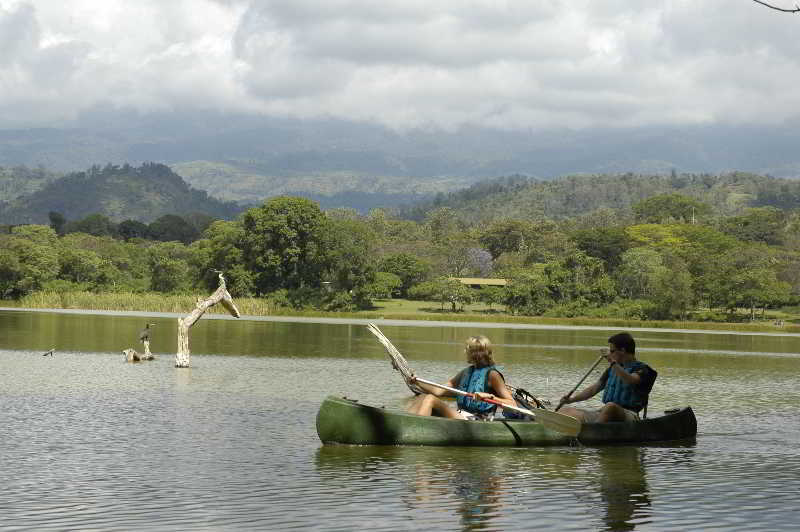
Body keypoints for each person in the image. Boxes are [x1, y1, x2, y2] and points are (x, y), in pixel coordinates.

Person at [406, 335, 517, 419]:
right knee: (422, 397)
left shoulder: (493, 375)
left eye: (467, 349)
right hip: (462, 415)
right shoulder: (466, 372)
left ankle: (417, 427)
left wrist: (490, 397)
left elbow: (512, 404)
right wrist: (417, 382)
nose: (465, 351)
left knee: (430, 399)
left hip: (477, 420)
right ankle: (406, 422)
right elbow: (439, 391)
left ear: (476, 353)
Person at [557, 332, 656, 423]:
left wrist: (611, 361)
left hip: (630, 416)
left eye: (612, 351)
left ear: (622, 350)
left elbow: (631, 380)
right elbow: (593, 389)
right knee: (566, 410)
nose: (611, 353)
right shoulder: (612, 369)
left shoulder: (643, 369)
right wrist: (571, 400)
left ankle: (592, 433)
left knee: (610, 406)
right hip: (605, 413)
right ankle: (560, 431)